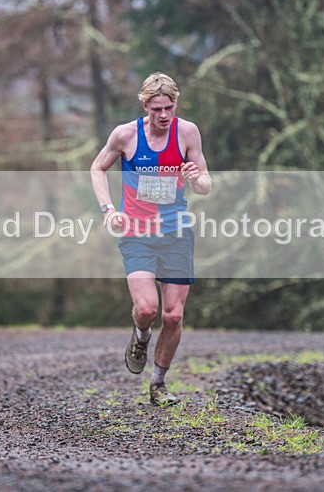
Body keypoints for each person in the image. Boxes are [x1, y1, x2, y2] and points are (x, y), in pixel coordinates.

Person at [90, 72, 212, 406]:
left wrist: (196, 177)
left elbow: (205, 185)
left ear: (176, 104)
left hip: (176, 232)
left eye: (168, 107)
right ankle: (141, 335)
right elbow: (97, 168)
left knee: (173, 316)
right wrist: (108, 210)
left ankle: (158, 384)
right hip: (137, 233)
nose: (163, 115)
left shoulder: (187, 133)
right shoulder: (125, 135)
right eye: (156, 108)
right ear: (145, 105)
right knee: (147, 308)